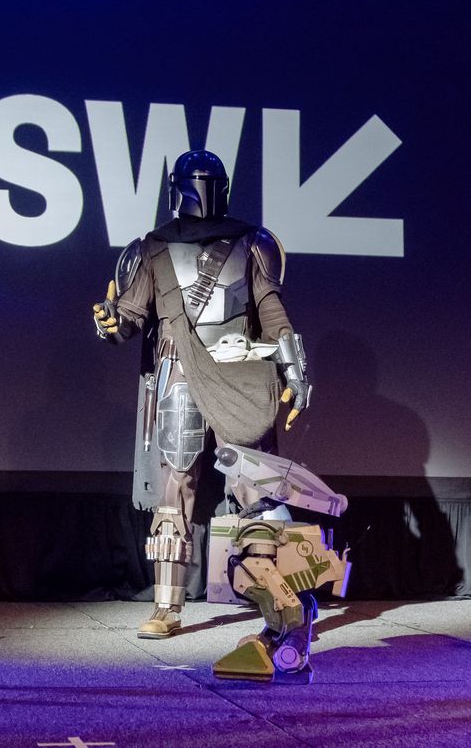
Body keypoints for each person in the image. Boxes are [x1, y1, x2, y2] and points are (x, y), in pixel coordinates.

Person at [93, 150, 312, 639]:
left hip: (242, 371)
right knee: (175, 490)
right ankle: (167, 606)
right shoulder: (152, 248)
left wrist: (295, 373)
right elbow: (130, 315)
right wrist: (110, 322)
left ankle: (273, 598)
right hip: (181, 372)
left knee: (255, 487)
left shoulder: (251, 241)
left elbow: (270, 311)